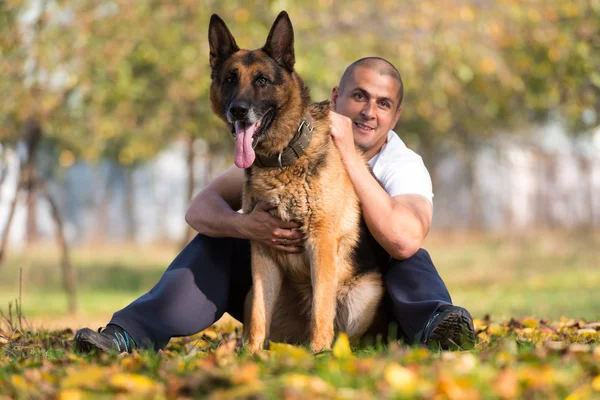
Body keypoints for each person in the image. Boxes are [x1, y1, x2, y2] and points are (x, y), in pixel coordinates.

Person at [74, 57, 475, 354]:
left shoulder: (402, 164)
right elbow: (199, 209)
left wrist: (349, 153)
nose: (369, 111)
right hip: (286, 299)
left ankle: (439, 326)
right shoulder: (287, 144)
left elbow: (404, 240)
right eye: (358, 96)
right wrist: (245, 226)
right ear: (336, 98)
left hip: (360, 301)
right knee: (215, 239)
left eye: (383, 104)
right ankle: (126, 335)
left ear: (396, 115)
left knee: (409, 254)